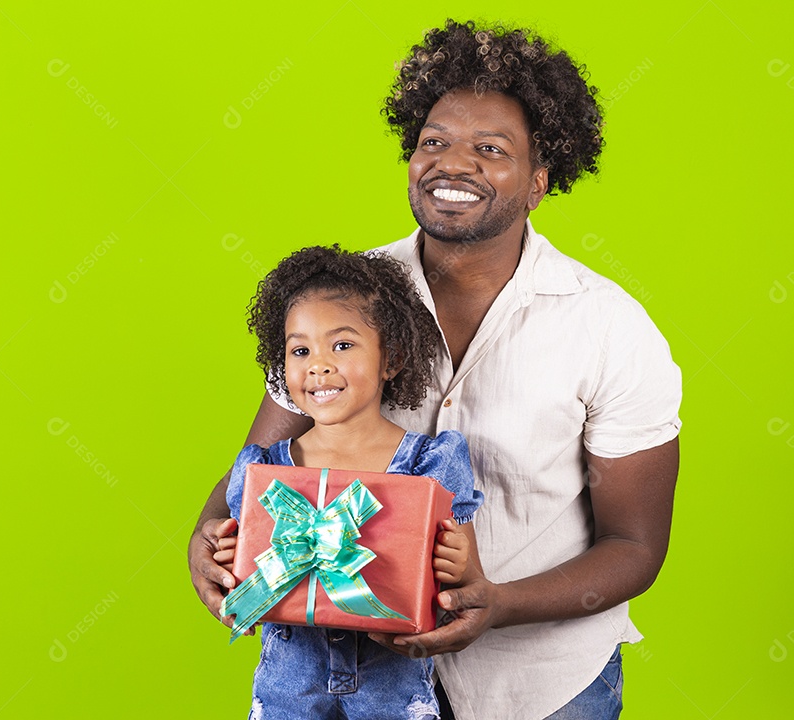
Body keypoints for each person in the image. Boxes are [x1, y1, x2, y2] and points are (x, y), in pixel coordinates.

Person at [191, 19, 682, 720]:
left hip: (543, 686)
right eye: (434, 142)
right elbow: (261, 466)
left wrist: (500, 604)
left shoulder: (609, 328)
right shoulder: (338, 300)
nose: (453, 164)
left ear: (540, 181)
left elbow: (634, 547)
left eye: (490, 149)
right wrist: (205, 541)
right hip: (354, 681)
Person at [217, 245, 485, 720]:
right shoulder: (267, 470)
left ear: (392, 359)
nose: (318, 364)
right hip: (288, 690)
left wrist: (458, 562)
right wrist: (226, 554)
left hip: (393, 689)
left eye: (341, 345)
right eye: (300, 350)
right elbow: (244, 569)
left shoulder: (430, 463)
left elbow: (465, 580)